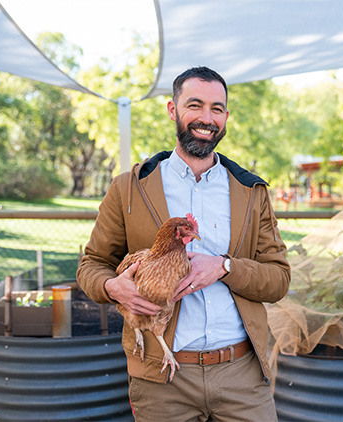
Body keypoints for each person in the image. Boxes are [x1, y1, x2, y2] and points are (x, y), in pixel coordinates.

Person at [76, 66, 290, 422]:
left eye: (217, 109)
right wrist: (113, 287)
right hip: (162, 377)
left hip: (241, 372)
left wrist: (225, 267)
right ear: (173, 110)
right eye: (195, 105)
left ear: (225, 116)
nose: (207, 118)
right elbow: (91, 265)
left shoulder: (251, 191)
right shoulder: (129, 188)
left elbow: (278, 279)